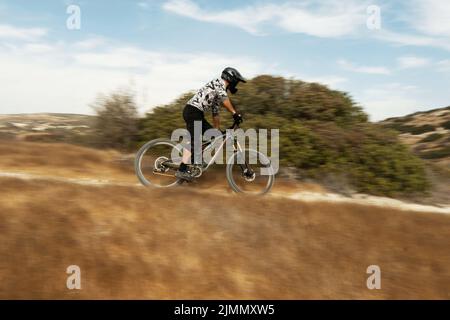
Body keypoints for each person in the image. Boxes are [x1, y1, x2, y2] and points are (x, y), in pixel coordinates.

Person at [175, 67, 245, 181]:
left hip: (197, 113)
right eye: (236, 81)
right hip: (192, 111)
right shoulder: (218, 83)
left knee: (216, 137)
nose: (236, 84)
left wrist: (216, 130)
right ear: (230, 78)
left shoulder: (218, 93)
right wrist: (234, 113)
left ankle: (194, 164)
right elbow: (225, 100)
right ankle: (182, 170)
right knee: (195, 141)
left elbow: (215, 113)